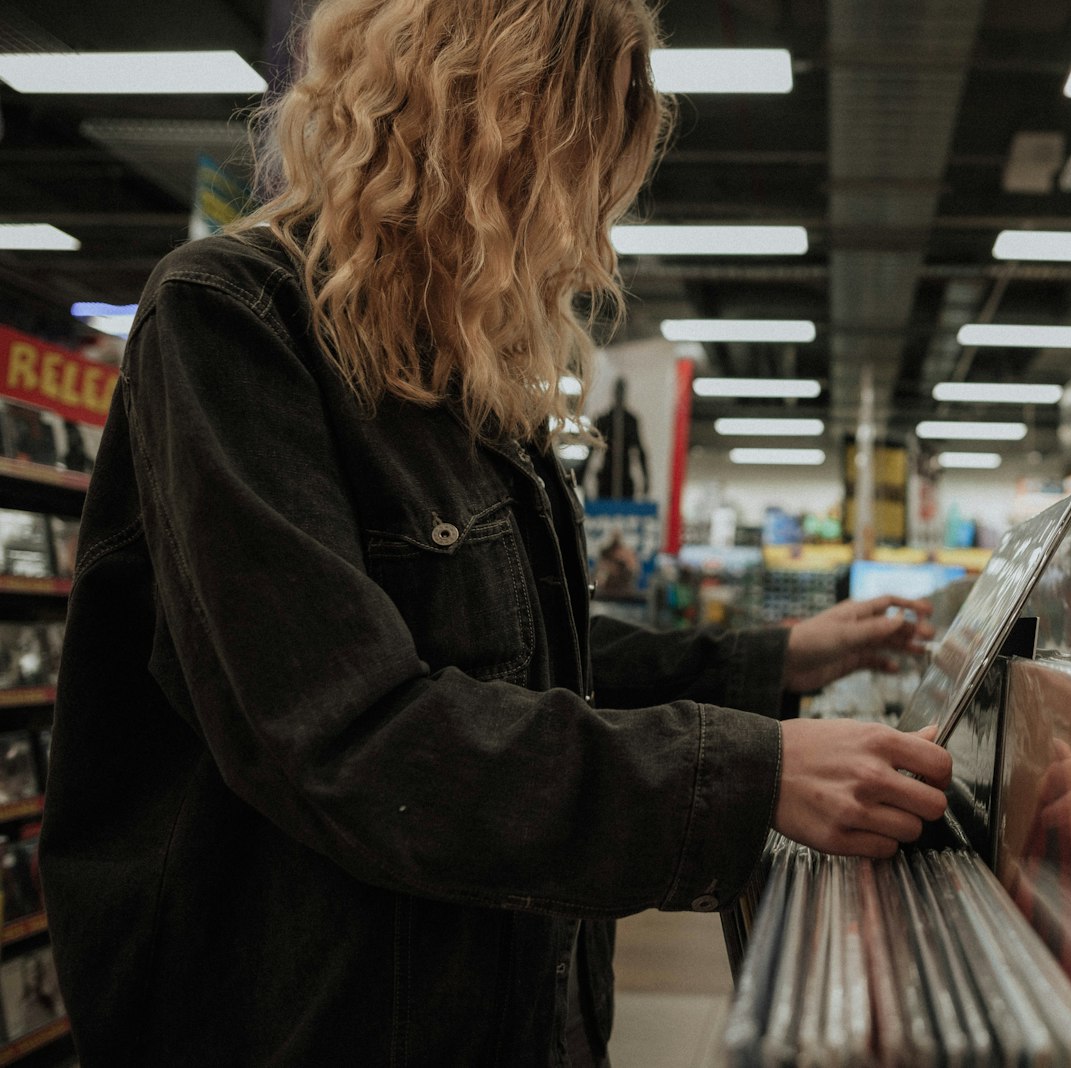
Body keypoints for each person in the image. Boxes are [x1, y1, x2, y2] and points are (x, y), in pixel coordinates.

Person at [37, 1, 952, 1065]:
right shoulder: (230, 319)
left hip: (503, 1002)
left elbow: (529, 658)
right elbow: (342, 732)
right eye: (574, 163)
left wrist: (779, 657)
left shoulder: (459, 372)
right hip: (309, 1020)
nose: (584, 221)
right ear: (483, 121)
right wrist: (746, 775)